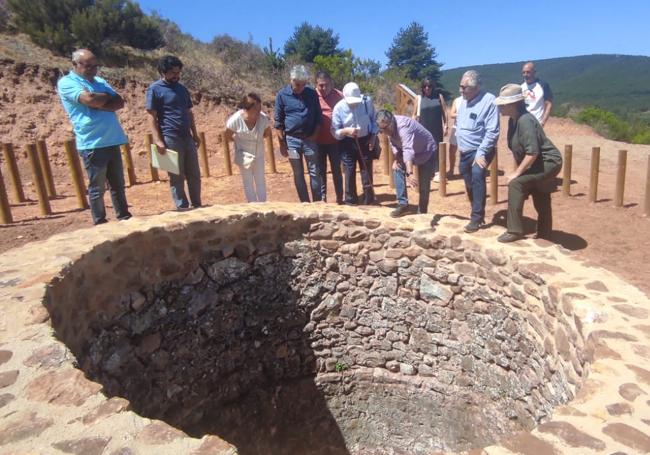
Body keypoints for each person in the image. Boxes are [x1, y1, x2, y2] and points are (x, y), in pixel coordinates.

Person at [57, 49, 132, 225]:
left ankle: (124, 218)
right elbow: (90, 100)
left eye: (95, 66)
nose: (93, 70)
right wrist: (101, 101)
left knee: (118, 185)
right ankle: (100, 221)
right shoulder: (67, 82)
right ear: (75, 65)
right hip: (92, 142)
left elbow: (119, 102)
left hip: (112, 139)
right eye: (88, 66)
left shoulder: (100, 81)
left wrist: (98, 102)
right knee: (97, 187)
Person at [494, 84, 562, 243]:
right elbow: (518, 152)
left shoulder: (525, 120)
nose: (500, 107)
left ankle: (514, 230)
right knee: (539, 190)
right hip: (536, 162)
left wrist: (516, 174)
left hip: (548, 162)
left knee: (517, 184)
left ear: (513, 104)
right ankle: (545, 233)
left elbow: (532, 152)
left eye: (503, 104)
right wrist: (515, 170)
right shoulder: (513, 121)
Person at [146, 55, 202, 210]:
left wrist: (195, 134)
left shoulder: (182, 89)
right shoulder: (155, 89)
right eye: (172, 73)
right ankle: (182, 207)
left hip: (187, 137)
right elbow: (151, 115)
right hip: (170, 137)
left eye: (178, 73)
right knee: (176, 176)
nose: (176, 76)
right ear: (163, 72)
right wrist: (158, 140)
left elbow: (189, 113)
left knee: (194, 174)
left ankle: (197, 205)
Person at [456, 70, 500, 233]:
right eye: (460, 86)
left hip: (480, 149)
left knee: (477, 175)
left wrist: (481, 153)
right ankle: (476, 210)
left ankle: (476, 218)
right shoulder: (463, 100)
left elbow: (492, 132)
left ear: (475, 88)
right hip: (465, 151)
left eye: (464, 87)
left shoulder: (489, 101)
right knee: (468, 181)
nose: (460, 90)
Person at [274, 65, 323, 202]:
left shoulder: (312, 94)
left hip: (310, 139)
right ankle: (305, 203)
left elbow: (319, 116)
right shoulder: (282, 95)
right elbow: (278, 121)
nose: (300, 87)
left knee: (314, 172)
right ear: (291, 80)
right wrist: (282, 144)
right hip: (291, 140)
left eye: (303, 84)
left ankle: (318, 202)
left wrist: (315, 135)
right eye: (297, 84)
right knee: (298, 173)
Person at [376, 110, 437, 217]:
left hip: (426, 151)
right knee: (397, 168)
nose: (384, 132)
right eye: (381, 129)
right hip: (410, 152)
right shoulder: (389, 128)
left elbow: (408, 149)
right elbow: (394, 144)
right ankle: (403, 205)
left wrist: (410, 173)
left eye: (385, 129)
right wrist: (397, 159)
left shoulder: (403, 126)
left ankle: (422, 212)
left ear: (391, 122)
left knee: (423, 185)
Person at [331, 82, 379, 205]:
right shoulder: (339, 108)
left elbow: (374, 120)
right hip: (347, 143)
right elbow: (334, 131)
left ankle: (369, 199)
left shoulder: (367, 102)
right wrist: (346, 131)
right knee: (349, 170)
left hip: (366, 140)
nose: (354, 103)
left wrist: (373, 136)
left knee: (366, 170)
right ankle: (351, 200)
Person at [225, 93, 271, 203]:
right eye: (256, 109)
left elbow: (267, 133)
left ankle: (263, 207)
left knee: (260, 181)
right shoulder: (235, 120)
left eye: (260, 108)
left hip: (258, 154)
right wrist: (237, 142)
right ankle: (254, 208)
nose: (259, 112)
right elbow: (227, 135)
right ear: (246, 109)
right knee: (248, 182)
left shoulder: (263, 118)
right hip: (244, 155)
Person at [315, 71, 344, 204]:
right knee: (320, 171)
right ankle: (322, 197)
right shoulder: (312, 95)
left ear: (331, 83)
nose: (324, 88)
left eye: (326, 85)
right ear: (316, 84)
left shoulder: (339, 95)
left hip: (335, 141)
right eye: (321, 85)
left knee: (336, 170)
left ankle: (339, 197)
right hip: (318, 140)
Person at [414, 78, 447, 182]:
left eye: (429, 86)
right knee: (425, 150)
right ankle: (427, 172)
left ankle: (437, 172)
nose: (427, 88)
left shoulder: (439, 97)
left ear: (433, 87)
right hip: (423, 129)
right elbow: (414, 115)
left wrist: (446, 125)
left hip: (437, 128)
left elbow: (444, 112)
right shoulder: (418, 98)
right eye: (424, 86)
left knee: (437, 150)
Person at [521, 62, 553, 127]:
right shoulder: (521, 87)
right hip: (524, 122)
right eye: (523, 72)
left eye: (528, 72)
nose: (525, 74)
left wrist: (543, 122)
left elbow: (548, 104)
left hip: (537, 122)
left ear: (534, 72)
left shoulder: (543, 85)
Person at [447, 94, 462, 177]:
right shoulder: (457, 100)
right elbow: (452, 114)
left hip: (467, 129)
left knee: (464, 151)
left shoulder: (472, 99)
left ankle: (463, 170)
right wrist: (462, 114)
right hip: (456, 128)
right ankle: (451, 169)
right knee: (452, 150)